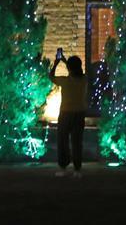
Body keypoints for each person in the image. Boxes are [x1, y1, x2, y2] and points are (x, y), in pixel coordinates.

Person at [49, 49, 87, 178]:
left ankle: (63, 167)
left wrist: (56, 63)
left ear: (69, 68)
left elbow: (51, 76)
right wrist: (66, 61)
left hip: (66, 114)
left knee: (63, 141)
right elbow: (74, 70)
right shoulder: (84, 80)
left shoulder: (65, 81)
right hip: (79, 113)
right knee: (77, 142)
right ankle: (77, 169)